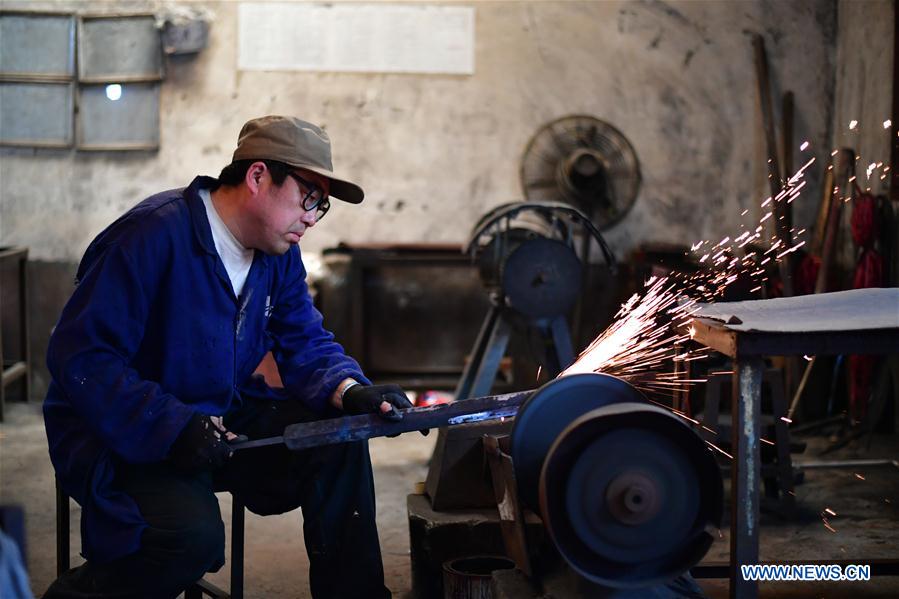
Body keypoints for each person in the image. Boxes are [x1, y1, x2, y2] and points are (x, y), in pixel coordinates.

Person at [42, 116, 417, 599]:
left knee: (337, 439)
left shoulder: (277, 254)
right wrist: (173, 425)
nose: (311, 216)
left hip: (219, 419)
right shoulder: (152, 236)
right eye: (308, 197)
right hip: (127, 431)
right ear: (258, 177)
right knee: (188, 538)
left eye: (320, 207)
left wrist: (351, 391)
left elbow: (304, 338)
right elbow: (83, 357)